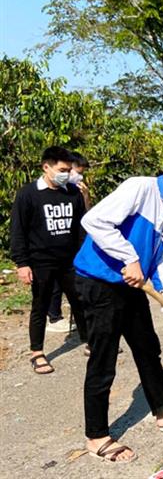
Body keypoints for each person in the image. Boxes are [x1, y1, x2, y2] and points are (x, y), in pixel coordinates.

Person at [73, 157, 163, 463]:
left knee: (148, 348)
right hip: (100, 282)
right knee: (104, 358)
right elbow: (94, 221)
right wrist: (128, 258)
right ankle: (96, 436)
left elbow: (160, 255)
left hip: (132, 286)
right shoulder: (141, 188)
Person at [10, 146, 89, 374]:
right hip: (40, 262)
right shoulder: (28, 194)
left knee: (80, 301)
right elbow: (18, 230)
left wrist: (82, 254)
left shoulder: (72, 192)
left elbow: (80, 227)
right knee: (40, 305)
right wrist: (21, 263)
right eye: (62, 169)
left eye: (68, 169)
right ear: (46, 167)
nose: (66, 173)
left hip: (70, 261)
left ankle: (89, 342)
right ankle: (37, 352)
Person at [47, 151, 92, 333]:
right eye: (73, 171)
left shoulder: (76, 191)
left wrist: (86, 197)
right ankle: (54, 317)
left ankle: (83, 327)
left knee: (74, 287)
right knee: (54, 285)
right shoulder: (47, 190)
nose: (75, 176)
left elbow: (87, 217)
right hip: (52, 247)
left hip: (72, 245)